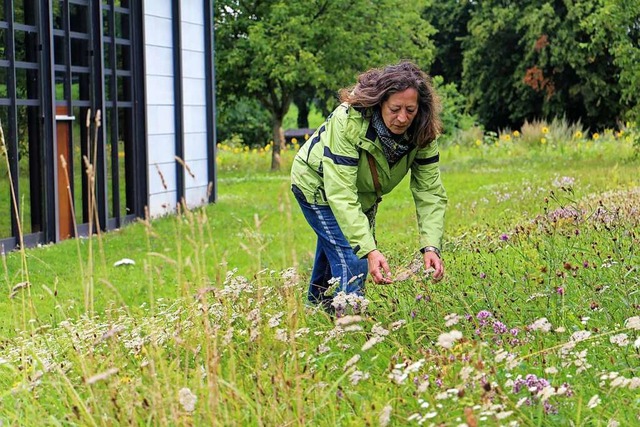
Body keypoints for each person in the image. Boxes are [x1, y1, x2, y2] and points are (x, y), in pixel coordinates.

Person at [290, 61, 447, 311]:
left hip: (359, 194)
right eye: (395, 108)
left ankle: (315, 309)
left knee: (338, 247)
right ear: (380, 103)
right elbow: (340, 192)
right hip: (316, 185)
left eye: (410, 109)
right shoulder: (348, 122)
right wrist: (370, 250)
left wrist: (431, 246)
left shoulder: (423, 132)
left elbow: (429, 192)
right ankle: (350, 330)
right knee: (354, 260)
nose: (403, 117)